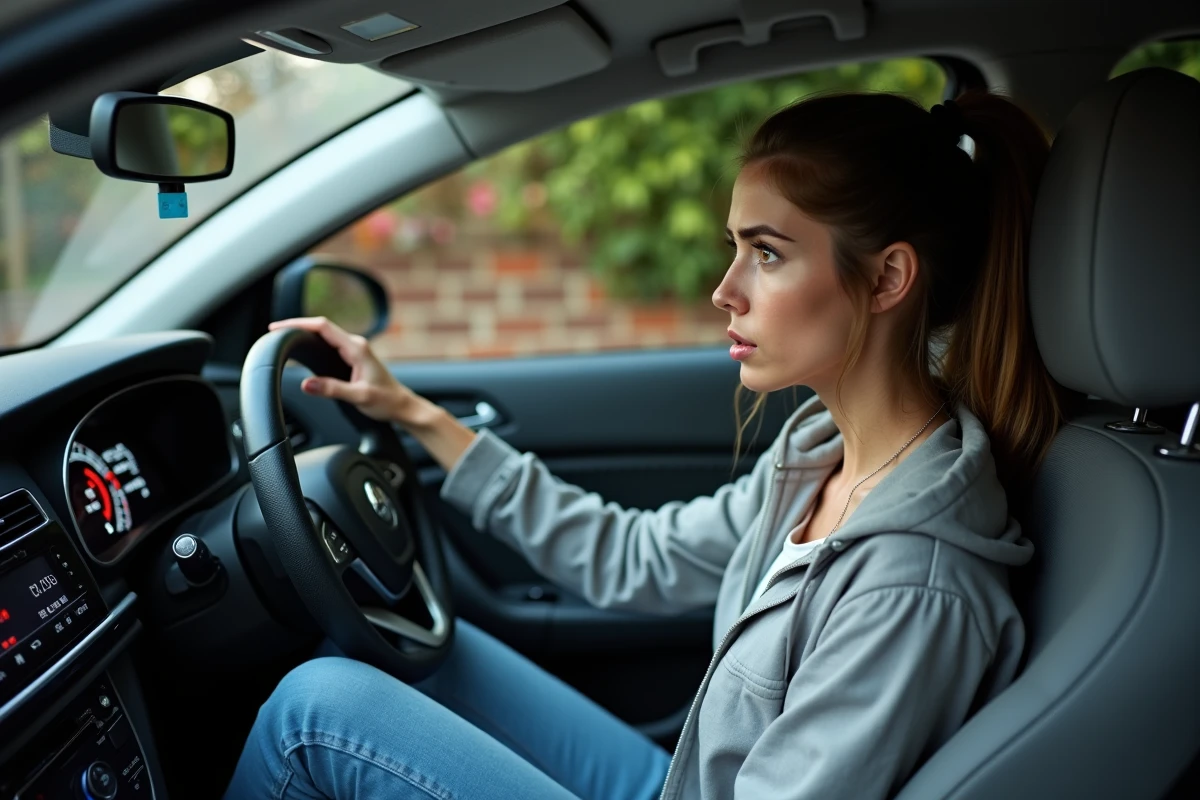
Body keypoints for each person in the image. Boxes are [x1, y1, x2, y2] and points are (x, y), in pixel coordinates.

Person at [225, 90, 1067, 799]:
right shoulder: (820, 456)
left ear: (886, 278)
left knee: (314, 713)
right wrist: (413, 413)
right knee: (418, 646)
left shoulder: (912, 589)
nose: (723, 291)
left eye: (767, 255)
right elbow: (634, 556)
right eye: (734, 249)